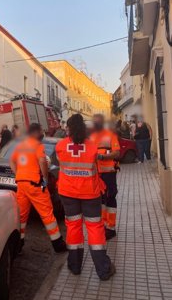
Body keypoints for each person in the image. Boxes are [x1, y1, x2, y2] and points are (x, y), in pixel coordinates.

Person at [56, 114, 115, 279]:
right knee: (95, 228)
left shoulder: (60, 146)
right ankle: (103, 270)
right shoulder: (92, 147)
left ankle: (74, 266)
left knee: (74, 227)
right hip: (90, 193)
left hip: (68, 193)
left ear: (68, 128)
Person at [10, 123, 66, 254]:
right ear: (35, 132)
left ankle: (19, 243)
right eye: (41, 131)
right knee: (47, 213)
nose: (42, 133)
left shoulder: (20, 146)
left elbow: (12, 161)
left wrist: (18, 173)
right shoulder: (37, 145)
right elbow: (42, 161)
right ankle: (58, 243)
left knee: (22, 215)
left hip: (21, 184)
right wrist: (45, 180)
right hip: (35, 184)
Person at [90, 114, 120, 241]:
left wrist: (103, 157)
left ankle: (111, 228)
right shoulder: (91, 137)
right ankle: (103, 225)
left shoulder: (110, 135)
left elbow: (117, 153)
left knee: (110, 198)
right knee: (100, 200)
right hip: (97, 174)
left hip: (109, 173)